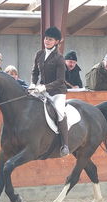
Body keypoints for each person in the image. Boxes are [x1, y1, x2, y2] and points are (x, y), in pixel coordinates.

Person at [30, 26, 69, 157]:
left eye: (50, 39)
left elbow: (60, 80)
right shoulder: (39, 54)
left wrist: (45, 87)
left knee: (59, 113)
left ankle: (65, 145)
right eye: (46, 38)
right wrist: (32, 83)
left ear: (56, 42)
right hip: (41, 89)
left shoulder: (59, 58)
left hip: (57, 92)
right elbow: (35, 72)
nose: (47, 41)